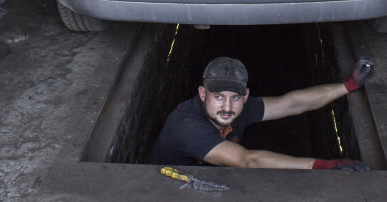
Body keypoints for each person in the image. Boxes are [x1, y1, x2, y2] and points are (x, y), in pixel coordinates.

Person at [149, 56, 375, 171]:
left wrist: (348, 86)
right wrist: (322, 165)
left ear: (245, 96)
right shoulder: (186, 125)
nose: (227, 107)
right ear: (202, 93)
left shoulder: (239, 108)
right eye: (218, 97)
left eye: (235, 98)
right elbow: (247, 160)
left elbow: (290, 104)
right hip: (168, 194)